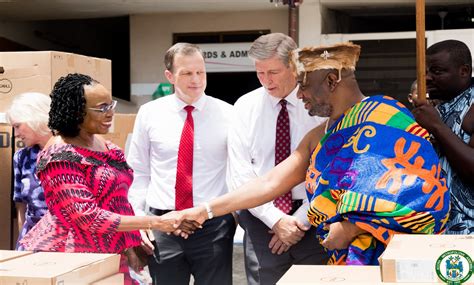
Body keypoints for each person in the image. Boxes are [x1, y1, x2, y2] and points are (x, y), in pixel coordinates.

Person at [174, 42, 450, 267]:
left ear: (331, 81)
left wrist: (352, 228)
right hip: (343, 259)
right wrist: (206, 210)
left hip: (394, 259)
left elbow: (419, 192)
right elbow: (270, 183)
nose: (300, 94)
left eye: (304, 85)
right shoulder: (320, 133)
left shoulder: (386, 116)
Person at [18, 73, 182, 285]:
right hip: (71, 257)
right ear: (76, 111)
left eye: (110, 105)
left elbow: (119, 201)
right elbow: (88, 217)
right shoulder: (59, 156)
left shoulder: (107, 147)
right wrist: (156, 222)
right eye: (101, 108)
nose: (110, 113)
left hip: (110, 253)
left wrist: (130, 243)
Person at [127, 43, 236, 285]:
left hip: (212, 225)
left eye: (201, 72)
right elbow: (139, 171)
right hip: (163, 225)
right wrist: (138, 219)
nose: (196, 79)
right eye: (187, 73)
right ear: (170, 76)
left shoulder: (229, 114)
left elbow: (238, 172)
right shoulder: (149, 113)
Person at [228, 33, 326, 285]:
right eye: (259, 73)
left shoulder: (319, 107)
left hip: (314, 215)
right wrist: (275, 219)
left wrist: (299, 221)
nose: (265, 81)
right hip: (261, 217)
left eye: (273, 72)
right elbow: (240, 172)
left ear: (294, 66)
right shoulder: (244, 106)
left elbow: (330, 170)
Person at [412, 39, 473, 235]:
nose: (427, 78)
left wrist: (437, 126)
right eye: (425, 72)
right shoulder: (437, 107)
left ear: (463, 71)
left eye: (437, 71)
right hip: (434, 228)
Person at [6, 92, 52, 250]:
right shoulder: (21, 157)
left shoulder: (71, 153)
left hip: (64, 245)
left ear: (36, 118)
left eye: (18, 126)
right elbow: (21, 208)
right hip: (31, 243)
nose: (16, 134)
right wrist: (24, 244)